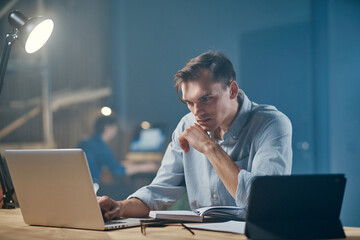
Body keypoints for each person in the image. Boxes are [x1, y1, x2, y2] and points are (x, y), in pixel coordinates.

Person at [98, 51, 292, 220]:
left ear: (232, 90)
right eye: (189, 103)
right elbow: (158, 192)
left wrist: (209, 147)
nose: (196, 112)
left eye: (206, 99)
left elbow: (263, 203)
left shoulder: (271, 124)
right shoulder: (187, 124)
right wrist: (120, 207)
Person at [78, 116, 156, 193]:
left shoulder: (85, 142)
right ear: (108, 127)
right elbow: (118, 171)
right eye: (115, 128)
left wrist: (126, 165)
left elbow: (110, 164)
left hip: (79, 184)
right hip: (91, 187)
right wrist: (144, 167)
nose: (116, 131)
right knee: (124, 190)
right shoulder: (101, 146)